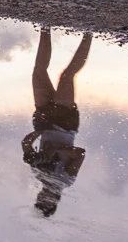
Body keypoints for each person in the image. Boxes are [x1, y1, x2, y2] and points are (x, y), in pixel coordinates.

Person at [22, 29, 92, 217]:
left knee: (38, 72)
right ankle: (89, 33)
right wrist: (56, 151)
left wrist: (36, 136)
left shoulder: (38, 173)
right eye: (46, 201)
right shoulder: (66, 180)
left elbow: (26, 144)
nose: (43, 196)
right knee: (67, 76)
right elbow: (80, 154)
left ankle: (46, 27)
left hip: (45, 119)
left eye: (40, 199)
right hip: (65, 123)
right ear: (55, 200)